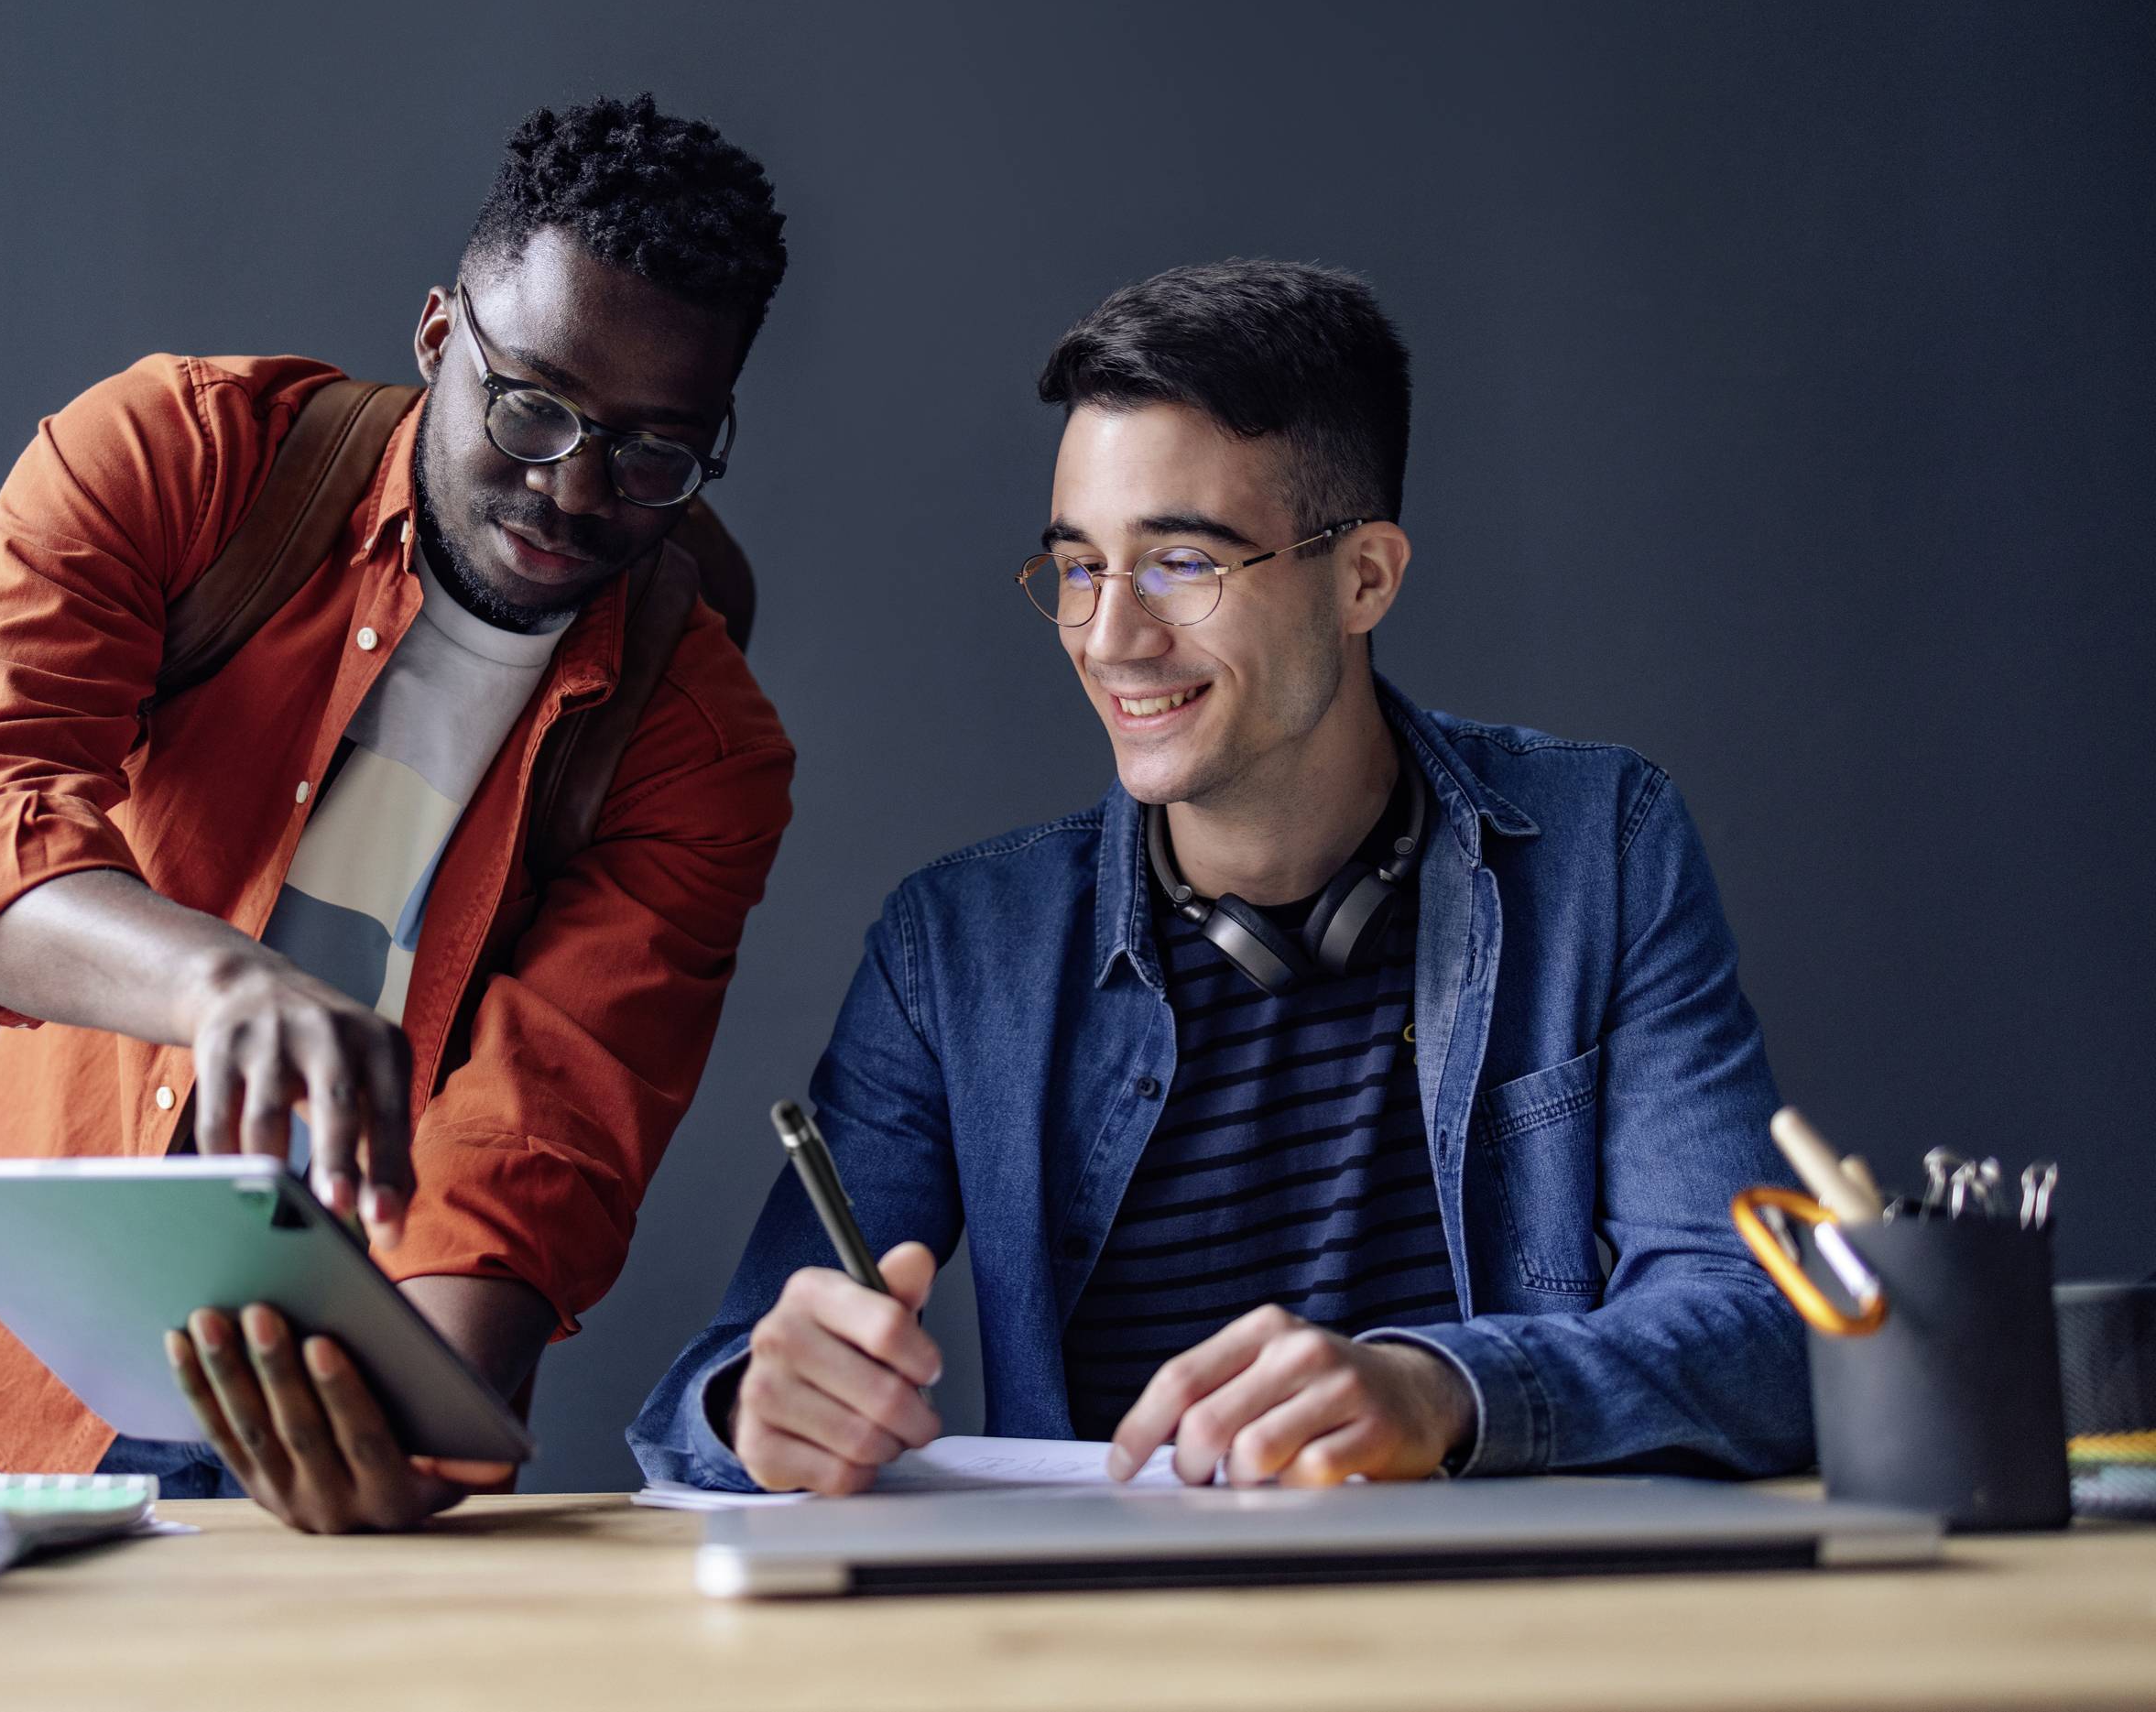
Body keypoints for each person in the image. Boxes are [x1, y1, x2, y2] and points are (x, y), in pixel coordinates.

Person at [633, 258, 1811, 1495]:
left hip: (1503, 1647)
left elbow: (1766, 1326)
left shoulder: (1602, 850)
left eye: (1180, 563)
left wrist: (1441, 1388)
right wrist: (760, 1403)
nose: (1109, 635)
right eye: (1079, 566)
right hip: (1112, 1665)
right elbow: (693, 1404)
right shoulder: (953, 954)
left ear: (1366, 577)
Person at [0, 94, 795, 1531]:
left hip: (356, 1363)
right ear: (439, 334)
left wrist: (424, 1424)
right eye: (532, 404)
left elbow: (541, 1131)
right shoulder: (175, 455)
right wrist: (221, 984)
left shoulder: (703, 746)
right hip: (32, 1358)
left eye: (653, 454)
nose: (573, 486)